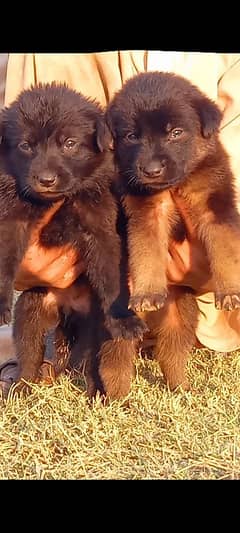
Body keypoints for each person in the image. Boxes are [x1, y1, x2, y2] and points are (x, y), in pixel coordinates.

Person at [1, 51, 240, 393]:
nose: (152, 161)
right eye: (130, 137)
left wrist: (223, 273)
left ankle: (171, 367)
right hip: (89, 273)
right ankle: (74, 361)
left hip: (198, 299)